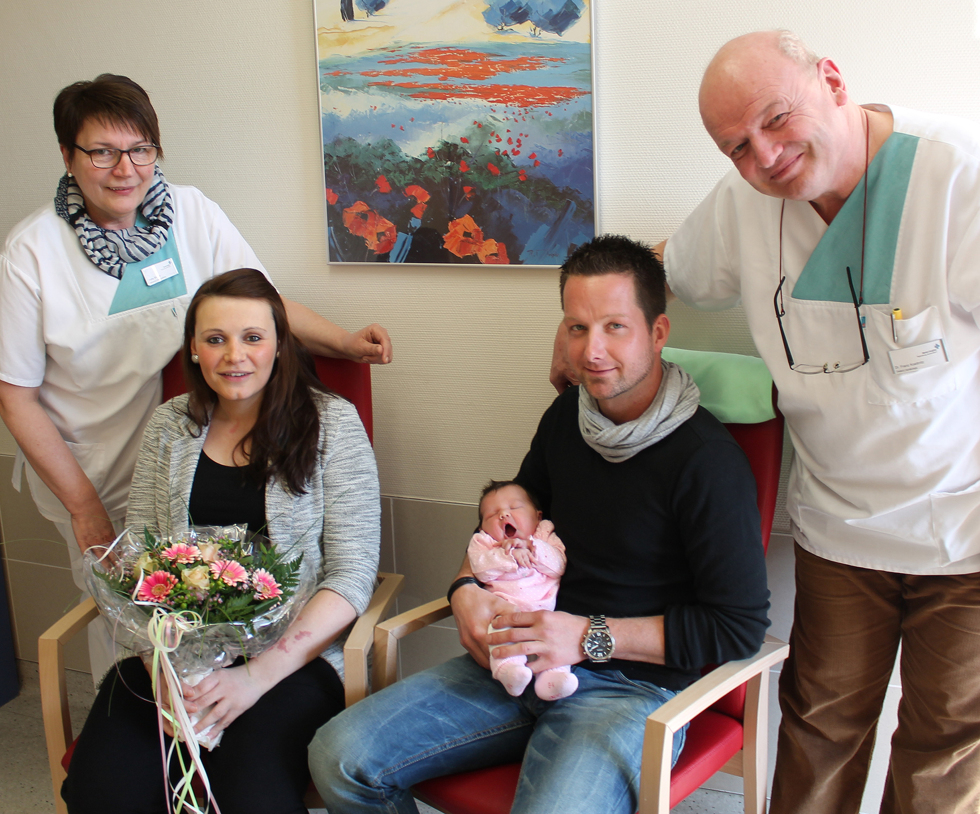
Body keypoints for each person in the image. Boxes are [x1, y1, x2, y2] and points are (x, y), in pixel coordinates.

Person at [616, 29, 980, 814]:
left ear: (834, 81)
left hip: (967, 530)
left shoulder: (957, 175)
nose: (765, 157)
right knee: (818, 731)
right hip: (840, 532)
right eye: (736, 147)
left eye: (776, 120)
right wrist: (594, 319)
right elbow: (660, 269)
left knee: (941, 755)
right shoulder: (746, 201)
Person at [308, 235, 770, 814]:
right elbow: (508, 523)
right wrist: (465, 589)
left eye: (614, 327)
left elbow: (738, 627)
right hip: (521, 657)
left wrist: (584, 635)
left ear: (658, 333)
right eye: (577, 328)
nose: (592, 351)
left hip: (632, 689)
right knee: (338, 757)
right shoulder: (566, 417)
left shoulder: (707, 461)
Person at [0, 74, 391, 683]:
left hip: (194, 435)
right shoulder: (32, 252)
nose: (124, 168)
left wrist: (345, 342)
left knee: (215, 594)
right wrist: (83, 508)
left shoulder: (189, 213)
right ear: (67, 156)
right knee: (129, 617)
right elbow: (14, 393)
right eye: (101, 151)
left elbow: (262, 305)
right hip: (90, 462)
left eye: (141, 149)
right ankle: (150, 735)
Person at [60, 268, 381, 814]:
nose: (235, 355)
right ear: (194, 349)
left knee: (250, 797)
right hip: (171, 660)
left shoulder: (332, 424)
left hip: (290, 665)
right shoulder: (169, 427)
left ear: (280, 345)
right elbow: (140, 561)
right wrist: (158, 663)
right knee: (101, 791)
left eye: (253, 337)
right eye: (216, 339)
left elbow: (351, 575)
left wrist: (254, 678)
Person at [469, 480, 576, 701]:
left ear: (537, 517)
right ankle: (510, 673)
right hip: (505, 612)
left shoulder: (544, 536)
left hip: (545, 615)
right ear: (482, 527)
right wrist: (507, 556)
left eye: (514, 508)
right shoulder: (484, 543)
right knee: (499, 635)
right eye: (491, 515)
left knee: (555, 643)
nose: (503, 515)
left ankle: (554, 680)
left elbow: (559, 566)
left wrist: (532, 549)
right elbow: (482, 570)